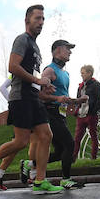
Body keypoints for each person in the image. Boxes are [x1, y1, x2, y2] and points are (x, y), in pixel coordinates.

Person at [0, 5, 63, 194]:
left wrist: (42, 84)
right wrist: (37, 80)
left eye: (43, 19)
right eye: (37, 18)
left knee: (46, 135)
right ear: (27, 21)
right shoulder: (22, 40)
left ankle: (40, 181)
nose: (40, 22)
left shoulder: (35, 46)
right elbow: (13, 67)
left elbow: (31, 73)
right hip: (21, 97)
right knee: (21, 141)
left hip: (33, 96)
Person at [34, 39, 84, 189]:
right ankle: (65, 179)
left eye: (70, 49)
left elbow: (63, 98)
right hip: (49, 112)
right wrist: (56, 98)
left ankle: (30, 164)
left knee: (60, 150)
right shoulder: (49, 70)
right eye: (67, 48)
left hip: (60, 113)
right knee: (70, 143)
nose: (70, 51)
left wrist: (77, 101)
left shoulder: (66, 73)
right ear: (56, 51)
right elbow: (39, 95)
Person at [72, 64, 100, 160]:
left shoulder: (96, 85)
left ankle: (93, 157)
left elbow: (99, 99)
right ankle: (73, 157)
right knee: (77, 137)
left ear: (89, 73)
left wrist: (96, 111)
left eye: (83, 73)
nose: (81, 75)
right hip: (81, 114)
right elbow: (78, 99)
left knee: (93, 135)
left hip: (91, 114)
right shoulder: (81, 86)